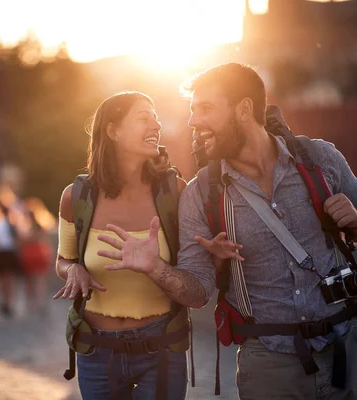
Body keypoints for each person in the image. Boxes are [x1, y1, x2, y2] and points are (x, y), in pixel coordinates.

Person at [98, 64, 357, 399]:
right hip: (269, 368)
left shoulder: (320, 159)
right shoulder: (200, 194)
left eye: (205, 109)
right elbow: (198, 292)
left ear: (244, 109)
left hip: (347, 348)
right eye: (192, 111)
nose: (193, 122)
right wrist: (155, 268)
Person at [53, 91, 191, 399]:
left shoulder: (174, 192)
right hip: (98, 350)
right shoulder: (75, 197)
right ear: (113, 131)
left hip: (161, 346)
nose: (156, 125)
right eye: (144, 118)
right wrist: (72, 269)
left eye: (156, 118)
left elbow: (193, 266)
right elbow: (63, 260)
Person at [0, 185, 23, 319]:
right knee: (8, 280)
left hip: (2, 252)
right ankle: (7, 302)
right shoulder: (12, 222)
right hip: (8, 252)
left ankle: (4, 301)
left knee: (3, 280)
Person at [19, 197, 55, 314]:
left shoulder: (26, 226)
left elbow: (22, 240)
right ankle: (40, 302)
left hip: (29, 254)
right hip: (40, 253)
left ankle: (31, 303)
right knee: (40, 280)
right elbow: (47, 242)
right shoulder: (42, 225)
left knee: (29, 280)